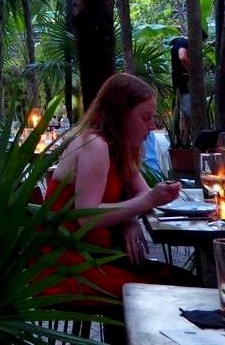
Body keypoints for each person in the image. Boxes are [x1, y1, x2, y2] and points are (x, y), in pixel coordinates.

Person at [43, 72, 195, 305]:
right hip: (68, 265)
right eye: (145, 118)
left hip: (95, 255)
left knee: (185, 284)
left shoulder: (119, 147)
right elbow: (87, 216)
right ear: (120, 114)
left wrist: (130, 220)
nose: (152, 126)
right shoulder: (94, 144)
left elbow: (143, 192)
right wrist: (146, 202)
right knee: (181, 291)